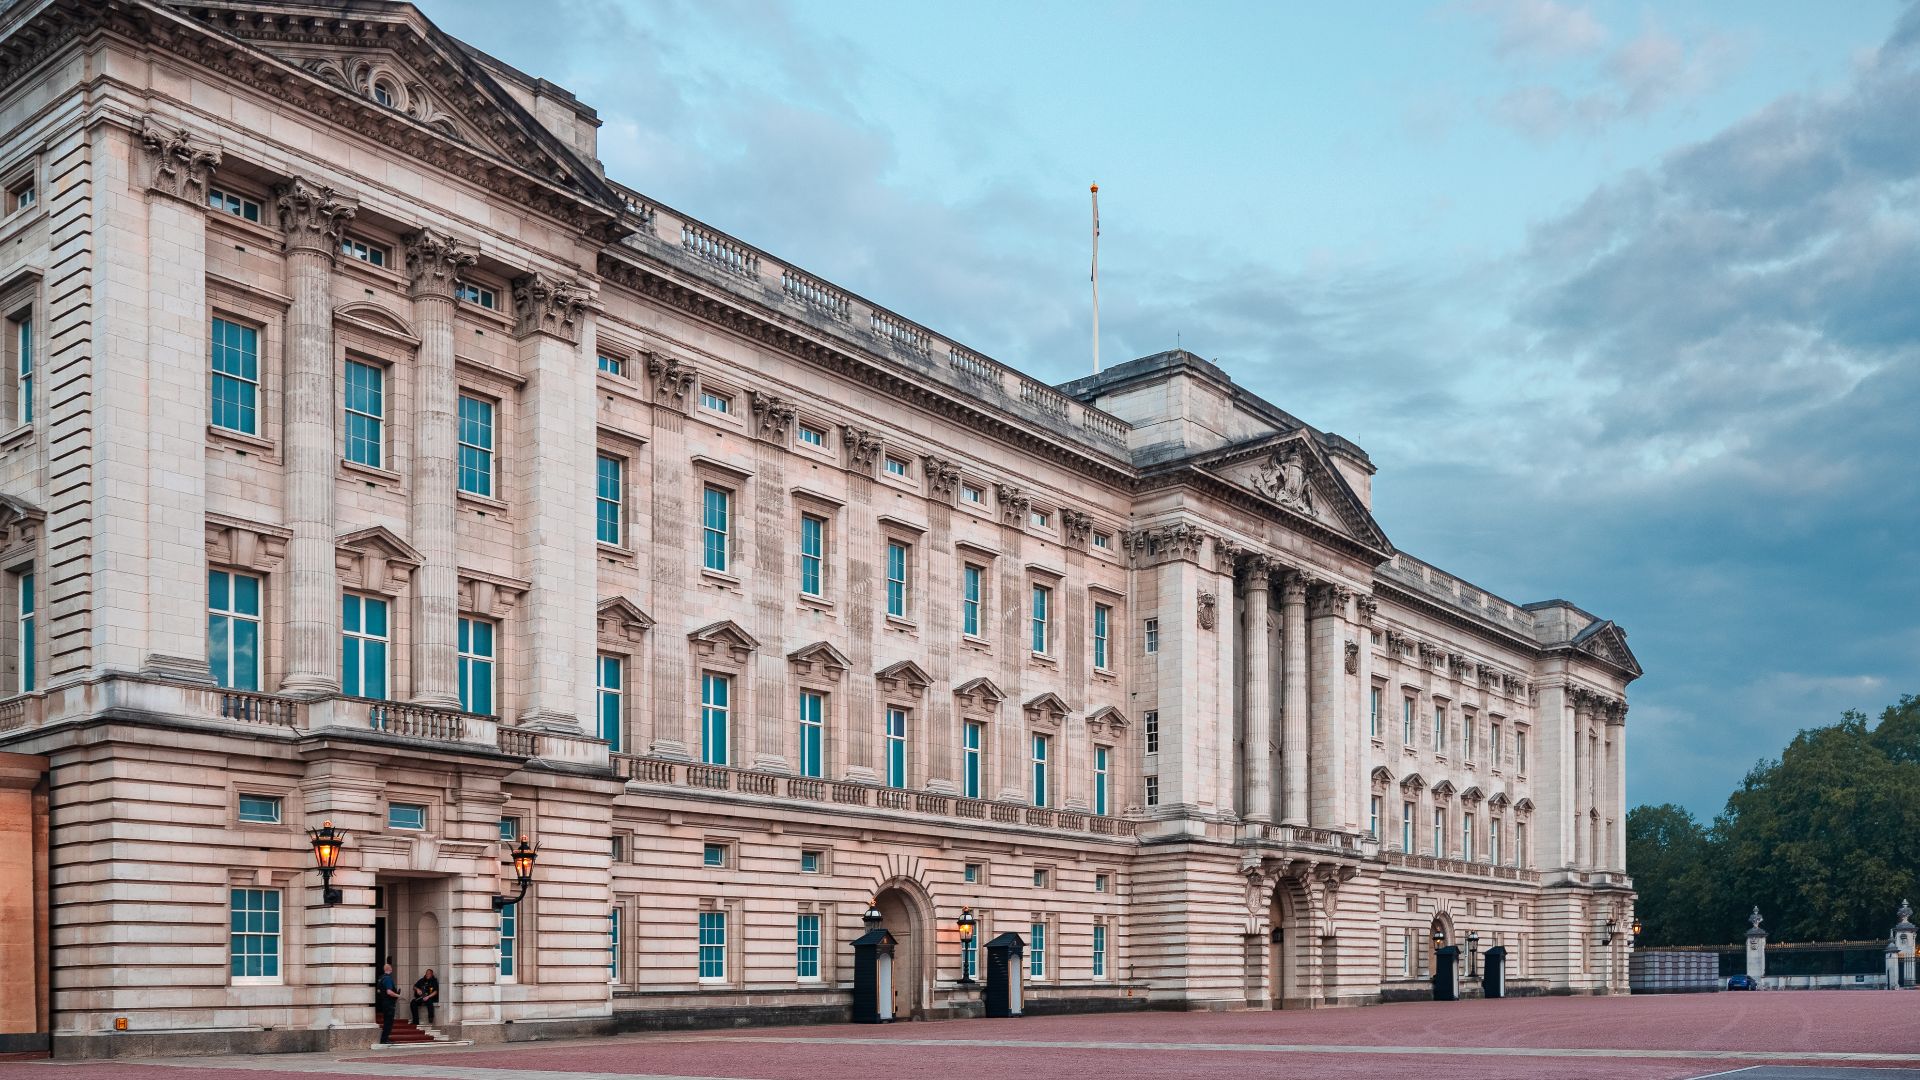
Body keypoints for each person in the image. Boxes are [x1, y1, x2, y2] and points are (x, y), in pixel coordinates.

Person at [374, 959, 400, 1044]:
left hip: (384, 1002)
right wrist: (398, 995)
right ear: (390, 969)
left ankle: (384, 1038)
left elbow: (378, 991)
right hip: (389, 1003)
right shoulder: (388, 979)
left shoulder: (380, 978)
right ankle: (384, 1039)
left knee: (386, 1022)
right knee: (388, 1022)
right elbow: (389, 992)